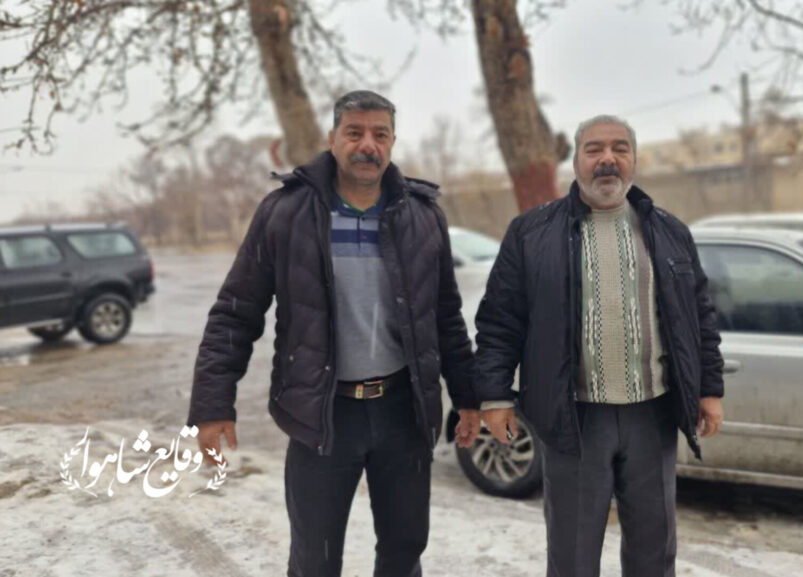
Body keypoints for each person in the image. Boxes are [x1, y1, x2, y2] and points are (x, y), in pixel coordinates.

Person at [187, 90, 480, 577]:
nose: (368, 145)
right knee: (315, 559)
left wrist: (468, 397)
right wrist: (213, 404)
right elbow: (235, 314)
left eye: (380, 134)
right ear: (332, 138)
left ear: (392, 142)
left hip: (403, 411)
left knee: (405, 550)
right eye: (355, 132)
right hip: (322, 415)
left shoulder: (422, 215)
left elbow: (445, 317)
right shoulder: (286, 213)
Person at [473, 115, 725, 577]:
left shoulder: (670, 232)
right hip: (573, 419)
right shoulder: (531, 233)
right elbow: (499, 321)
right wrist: (494, 396)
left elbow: (699, 317)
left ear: (633, 160)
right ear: (576, 161)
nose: (607, 159)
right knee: (572, 555)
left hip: (653, 414)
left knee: (654, 553)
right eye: (594, 149)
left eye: (620, 148)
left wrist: (709, 388)